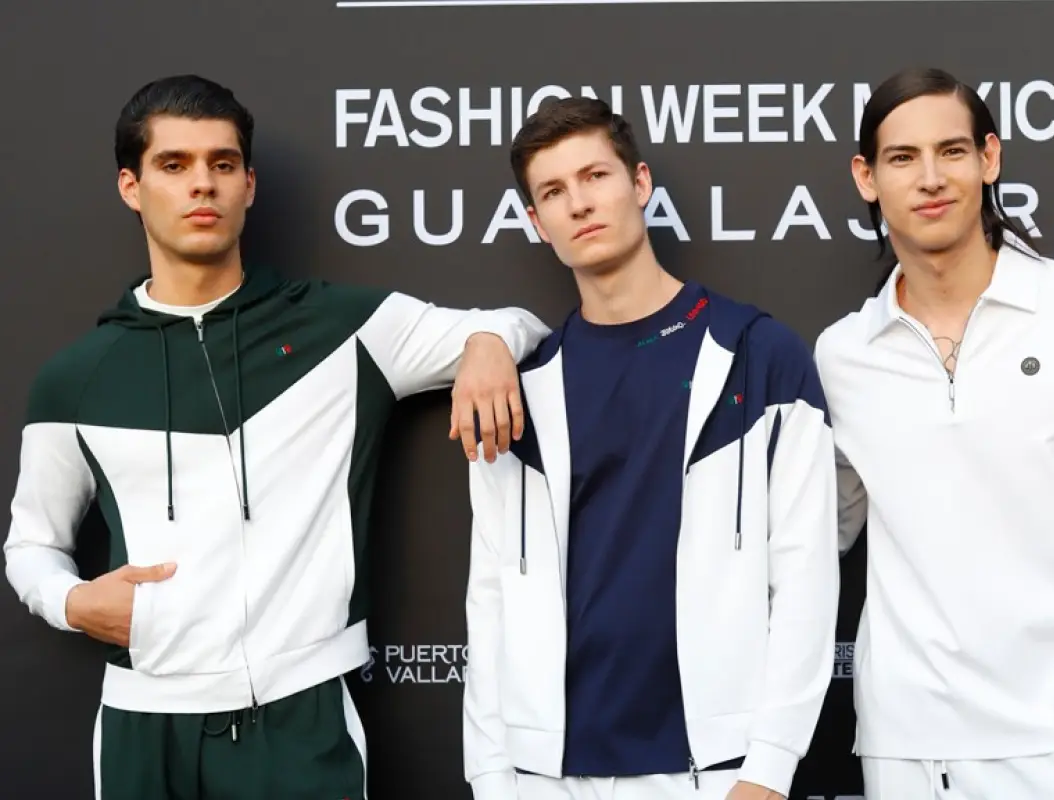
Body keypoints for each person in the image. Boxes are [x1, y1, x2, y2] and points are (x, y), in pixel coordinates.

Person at [2, 74, 550, 800]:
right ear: (132, 187)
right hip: (144, 727)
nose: (203, 184)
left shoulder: (342, 330)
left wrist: (486, 341)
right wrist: (71, 603)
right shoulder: (76, 378)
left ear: (249, 185)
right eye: (174, 165)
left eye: (222, 164)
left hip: (303, 724)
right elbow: (30, 546)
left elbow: (520, 322)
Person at [814, 66, 1054, 799]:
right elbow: (816, 535)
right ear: (867, 177)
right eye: (903, 157)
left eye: (952, 151)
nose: (931, 178)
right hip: (906, 752)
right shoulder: (843, 354)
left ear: (989, 158)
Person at [460, 96, 840, 800]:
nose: (579, 202)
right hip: (547, 775)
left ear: (639, 183)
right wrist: (490, 776)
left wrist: (769, 766)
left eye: (594, 176)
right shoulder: (520, 388)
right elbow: (490, 596)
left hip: (715, 771)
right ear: (537, 222)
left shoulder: (759, 355)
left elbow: (806, 576)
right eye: (553, 192)